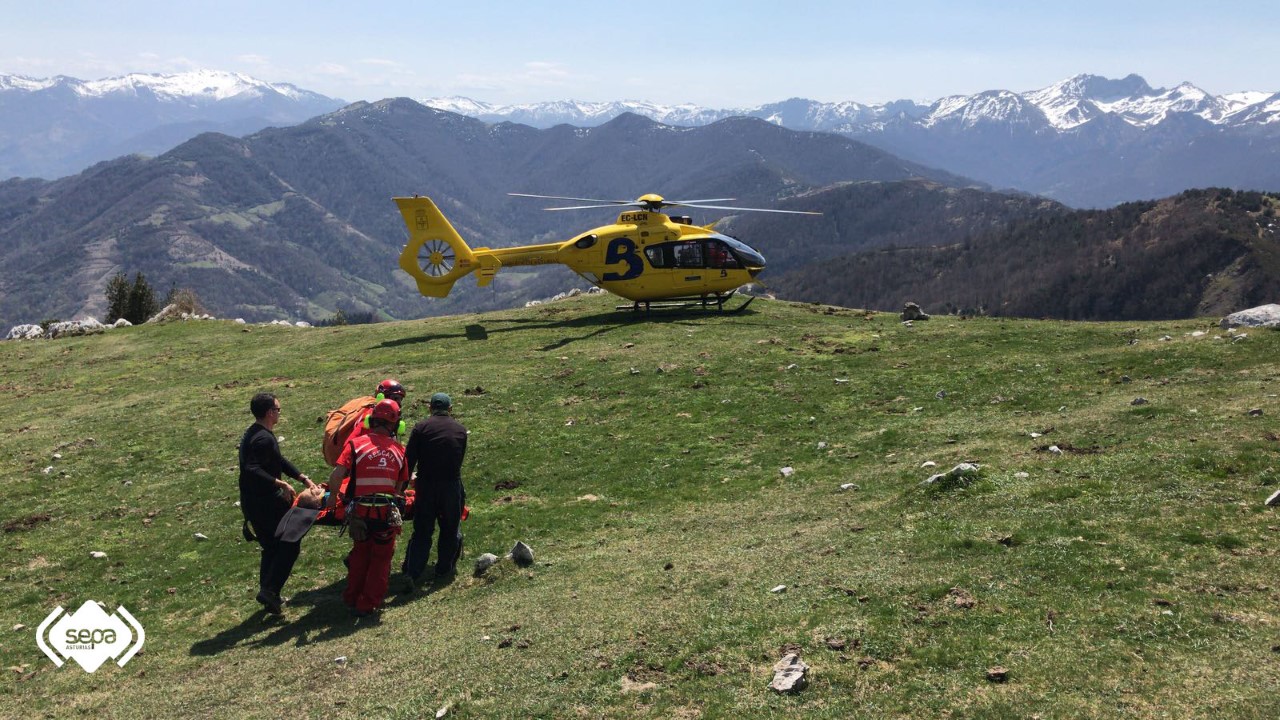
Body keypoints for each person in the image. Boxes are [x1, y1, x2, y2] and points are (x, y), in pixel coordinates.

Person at [327, 399, 409, 616]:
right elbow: (398, 488)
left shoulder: (356, 445)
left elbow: (336, 476)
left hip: (359, 512)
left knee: (361, 553)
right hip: (384, 514)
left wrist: (331, 498)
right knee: (381, 558)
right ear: (394, 424)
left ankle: (352, 597)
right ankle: (368, 603)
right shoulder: (400, 451)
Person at [238, 392, 313, 614]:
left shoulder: (256, 434)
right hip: (266, 504)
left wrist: (301, 477)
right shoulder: (263, 438)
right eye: (278, 409)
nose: (280, 413)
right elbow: (251, 468)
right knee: (289, 544)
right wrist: (281, 484)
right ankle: (270, 591)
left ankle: (269, 593)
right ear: (270, 412)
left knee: (271, 547)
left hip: (253, 502)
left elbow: (276, 460)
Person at [402, 392, 468, 585]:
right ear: (450, 409)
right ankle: (444, 568)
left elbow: (409, 461)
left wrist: (404, 485)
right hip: (451, 484)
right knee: (449, 528)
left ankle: (413, 571)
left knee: (422, 529)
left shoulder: (421, 428)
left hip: (427, 485)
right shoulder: (460, 430)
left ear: (430, 408)